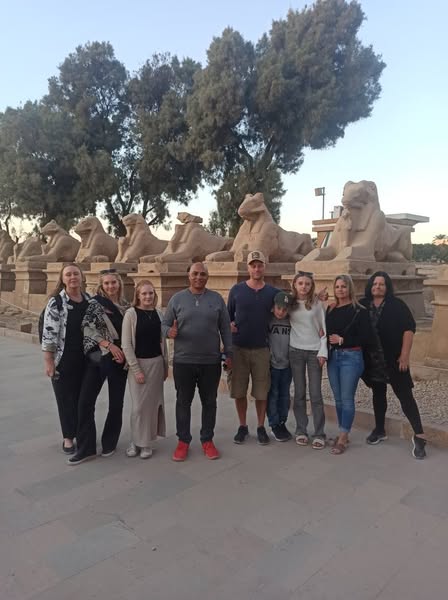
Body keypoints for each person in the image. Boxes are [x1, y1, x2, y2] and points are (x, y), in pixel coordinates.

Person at [162, 262, 232, 461]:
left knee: (210, 402)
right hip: (184, 361)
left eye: (202, 274)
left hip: (210, 361)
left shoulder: (216, 299)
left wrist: (229, 353)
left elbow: (225, 328)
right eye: (195, 274)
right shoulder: (177, 299)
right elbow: (164, 324)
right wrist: (168, 332)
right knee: (183, 402)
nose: (199, 277)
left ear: (207, 277)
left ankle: (207, 440)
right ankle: (183, 441)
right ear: (189, 276)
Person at [360, 271, 427, 459]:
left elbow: (409, 329)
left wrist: (405, 355)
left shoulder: (397, 305)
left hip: (394, 359)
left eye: (381, 284)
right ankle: (379, 429)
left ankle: (420, 436)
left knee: (405, 396)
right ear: (370, 286)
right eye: (375, 284)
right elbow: (346, 309)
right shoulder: (363, 305)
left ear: (387, 287)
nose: (377, 287)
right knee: (378, 394)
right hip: (372, 361)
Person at [68, 269, 130, 465]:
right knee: (85, 402)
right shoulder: (95, 304)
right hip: (98, 357)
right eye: (107, 283)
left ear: (119, 284)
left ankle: (110, 442)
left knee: (116, 404)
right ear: (102, 286)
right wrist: (109, 345)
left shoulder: (126, 306)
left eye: (113, 282)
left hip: (120, 359)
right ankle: (86, 448)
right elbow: (87, 328)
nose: (110, 286)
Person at [227, 251, 279, 445]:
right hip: (239, 347)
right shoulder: (237, 290)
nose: (257, 269)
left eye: (260, 265)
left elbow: (291, 304)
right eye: (253, 265)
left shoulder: (272, 292)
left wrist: (318, 297)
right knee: (239, 390)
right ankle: (242, 426)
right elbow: (228, 316)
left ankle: (260, 426)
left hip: (261, 348)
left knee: (261, 391)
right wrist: (229, 327)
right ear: (248, 268)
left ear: (264, 267)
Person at [41, 263, 90, 454]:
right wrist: (48, 361)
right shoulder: (56, 302)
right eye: (68, 274)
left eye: (76, 273)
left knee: (82, 399)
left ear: (82, 277)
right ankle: (68, 437)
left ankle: (81, 432)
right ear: (62, 279)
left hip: (85, 359)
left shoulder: (88, 300)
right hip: (64, 358)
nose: (72, 277)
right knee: (65, 399)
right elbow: (49, 333)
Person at [326, 274, 372, 455]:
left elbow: (366, 337)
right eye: (337, 286)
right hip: (333, 357)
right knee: (337, 398)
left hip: (351, 357)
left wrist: (342, 340)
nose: (340, 290)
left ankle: (343, 436)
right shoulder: (331, 309)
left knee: (346, 398)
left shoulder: (360, 310)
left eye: (343, 286)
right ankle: (342, 431)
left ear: (350, 288)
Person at [122, 280, 168, 459]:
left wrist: (165, 366)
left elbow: (163, 343)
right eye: (144, 293)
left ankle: (147, 443)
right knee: (139, 408)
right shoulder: (131, 314)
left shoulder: (158, 314)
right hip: (138, 365)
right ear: (138, 295)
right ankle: (135, 441)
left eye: (151, 293)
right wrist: (136, 370)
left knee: (152, 406)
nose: (148, 296)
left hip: (156, 364)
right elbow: (126, 345)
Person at [289, 271, 328, 449]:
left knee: (315, 394)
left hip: (314, 352)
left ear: (311, 286)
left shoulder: (317, 304)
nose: (303, 286)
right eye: (300, 283)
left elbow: (323, 329)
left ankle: (319, 433)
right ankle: (301, 430)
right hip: (295, 350)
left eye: (307, 283)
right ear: (294, 285)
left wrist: (323, 352)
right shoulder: (290, 303)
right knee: (299, 393)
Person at [267, 291, 293, 442]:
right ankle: (274, 424)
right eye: (278, 308)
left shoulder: (291, 322)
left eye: (284, 309)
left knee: (284, 395)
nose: (281, 312)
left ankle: (282, 422)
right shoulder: (269, 321)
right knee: (273, 395)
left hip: (287, 365)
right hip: (273, 365)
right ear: (273, 307)